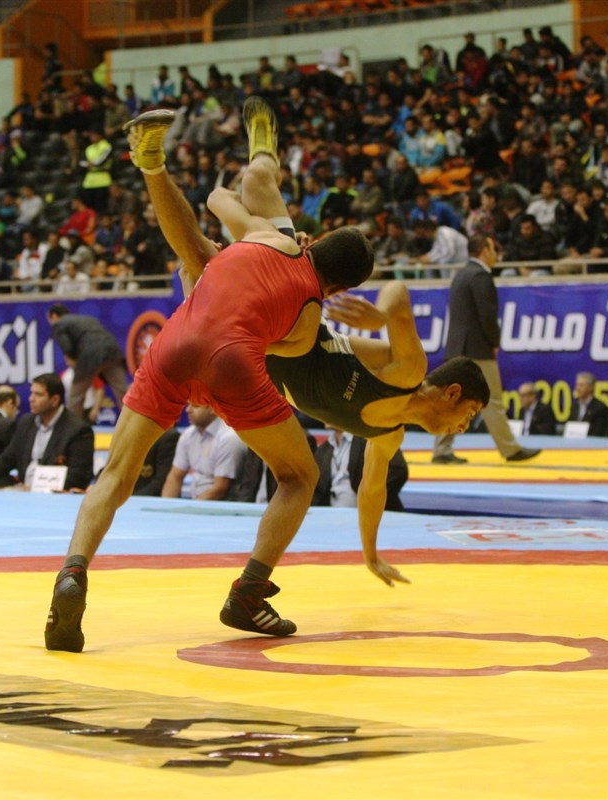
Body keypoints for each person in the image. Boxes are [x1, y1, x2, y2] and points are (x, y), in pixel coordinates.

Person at [44, 98, 375, 652]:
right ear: (341, 289)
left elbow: (214, 213)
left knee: (116, 475)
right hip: (233, 365)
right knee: (299, 475)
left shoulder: (267, 236)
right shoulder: (309, 320)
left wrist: (215, 249)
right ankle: (249, 591)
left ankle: (73, 570)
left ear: (313, 241)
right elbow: (272, 352)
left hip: (175, 345)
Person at [126, 101, 488, 595]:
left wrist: (371, 555)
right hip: (289, 312)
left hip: (260, 349)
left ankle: (250, 161)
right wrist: (379, 318)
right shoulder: (407, 371)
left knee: (244, 203)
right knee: (230, 218)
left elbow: (372, 490)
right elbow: (398, 292)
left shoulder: (389, 437)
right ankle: (226, 176)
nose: (463, 427)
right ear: (451, 392)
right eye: (468, 415)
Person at [430, 236, 541, 464]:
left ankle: (441, 450)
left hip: (457, 347)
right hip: (477, 348)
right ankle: (510, 449)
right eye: (493, 248)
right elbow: (487, 316)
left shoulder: (461, 274)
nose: (496, 253)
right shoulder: (481, 276)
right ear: (484, 250)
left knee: (454, 400)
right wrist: (494, 342)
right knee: (492, 400)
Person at [0, 373, 94, 490]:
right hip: (23, 495)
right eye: (31, 393)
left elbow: (79, 476)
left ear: (54, 400)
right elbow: (9, 457)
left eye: (38, 395)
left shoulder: (78, 430)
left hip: (55, 500)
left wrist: (37, 487)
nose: (31, 399)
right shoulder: (26, 422)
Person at [46, 303, 129, 421]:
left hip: (90, 356)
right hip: (113, 351)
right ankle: (135, 426)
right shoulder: (88, 319)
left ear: (54, 316)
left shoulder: (59, 324)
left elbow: (67, 347)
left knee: (75, 398)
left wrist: (74, 360)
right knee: (124, 395)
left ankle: (71, 428)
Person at [161, 404, 247, 500]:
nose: (188, 410)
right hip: (196, 500)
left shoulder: (229, 438)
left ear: (213, 409)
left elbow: (220, 489)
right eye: (188, 405)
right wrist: (166, 504)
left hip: (222, 503)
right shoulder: (188, 435)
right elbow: (175, 477)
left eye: (195, 406)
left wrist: (191, 507)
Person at [313, 430, 408, 512]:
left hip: (373, 516)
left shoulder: (371, 437)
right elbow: (317, 492)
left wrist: (369, 494)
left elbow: (398, 469)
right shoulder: (323, 450)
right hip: (333, 519)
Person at [132, 428, 180, 497]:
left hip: (152, 498)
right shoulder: (128, 436)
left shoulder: (169, 437)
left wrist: (133, 499)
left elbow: (161, 481)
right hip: (130, 496)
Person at [567, 372, 608, 437]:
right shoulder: (574, 406)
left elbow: (599, 432)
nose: (578, 388)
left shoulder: (599, 408)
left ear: (590, 387)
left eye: (581, 385)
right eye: (577, 385)